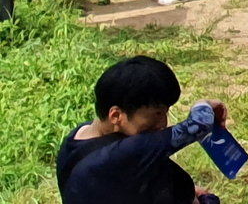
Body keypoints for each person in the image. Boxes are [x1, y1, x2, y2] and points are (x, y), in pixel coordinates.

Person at [57, 56, 226, 204]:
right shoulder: (125, 151)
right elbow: (200, 124)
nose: (163, 123)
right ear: (116, 115)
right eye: (157, 113)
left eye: (166, 112)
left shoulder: (77, 138)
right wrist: (204, 104)